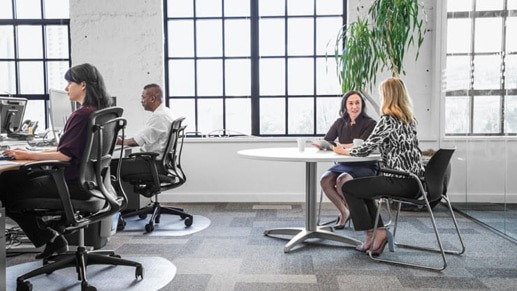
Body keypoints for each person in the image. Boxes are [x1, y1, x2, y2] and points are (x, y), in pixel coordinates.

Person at [0, 63, 113, 259]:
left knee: (6, 186)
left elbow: (64, 156)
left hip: (70, 184)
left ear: (83, 85)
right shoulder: (99, 112)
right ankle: (51, 236)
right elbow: (71, 150)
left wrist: (28, 155)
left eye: (70, 82)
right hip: (90, 183)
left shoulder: (81, 114)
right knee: (13, 180)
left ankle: (49, 236)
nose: (66, 87)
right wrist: (29, 153)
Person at [334, 77, 425, 256]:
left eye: (382, 94)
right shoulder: (409, 120)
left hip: (398, 181)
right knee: (361, 187)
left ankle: (375, 233)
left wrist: (343, 151)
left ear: (388, 96)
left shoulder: (388, 120)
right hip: (415, 181)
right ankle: (375, 232)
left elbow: (365, 148)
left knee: (348, 187)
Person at [319, 90, 377, 229]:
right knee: (325, 180)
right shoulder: (340, 122)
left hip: (365, 165)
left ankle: (360, 215)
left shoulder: (371, 123)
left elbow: (361, 144)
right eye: (350, 103)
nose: (354, 106)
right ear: (345, 105)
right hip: (345, 164)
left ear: (362, 105)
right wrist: (322, 144)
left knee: (342, 180)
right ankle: (344, 212)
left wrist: (338, 147)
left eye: (357, 103)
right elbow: (327, 141)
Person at [116, 83, 174, 158]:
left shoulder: (159, 116)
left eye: (143, 97)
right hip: (159, 160)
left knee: (114, 164)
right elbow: (143, 136)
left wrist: (118, 141)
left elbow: (136, 142)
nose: (141, 101)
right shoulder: (166, 112)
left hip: (152, 161)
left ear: (152, 99)